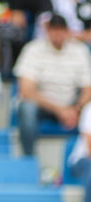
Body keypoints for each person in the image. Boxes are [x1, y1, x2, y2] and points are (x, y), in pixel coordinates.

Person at [14, 13, 91, 156]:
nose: (58, 33)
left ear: (67, 31)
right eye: (54, 29)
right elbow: (26, 90)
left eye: (61, 29)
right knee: (27, 108)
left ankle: (85, 159)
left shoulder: (80, 50)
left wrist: (76, 108)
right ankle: (28, 158)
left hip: (72, 105)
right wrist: (60, 110)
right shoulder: (33, 49)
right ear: (47, 31)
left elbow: (88, 89)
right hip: (43, 106)